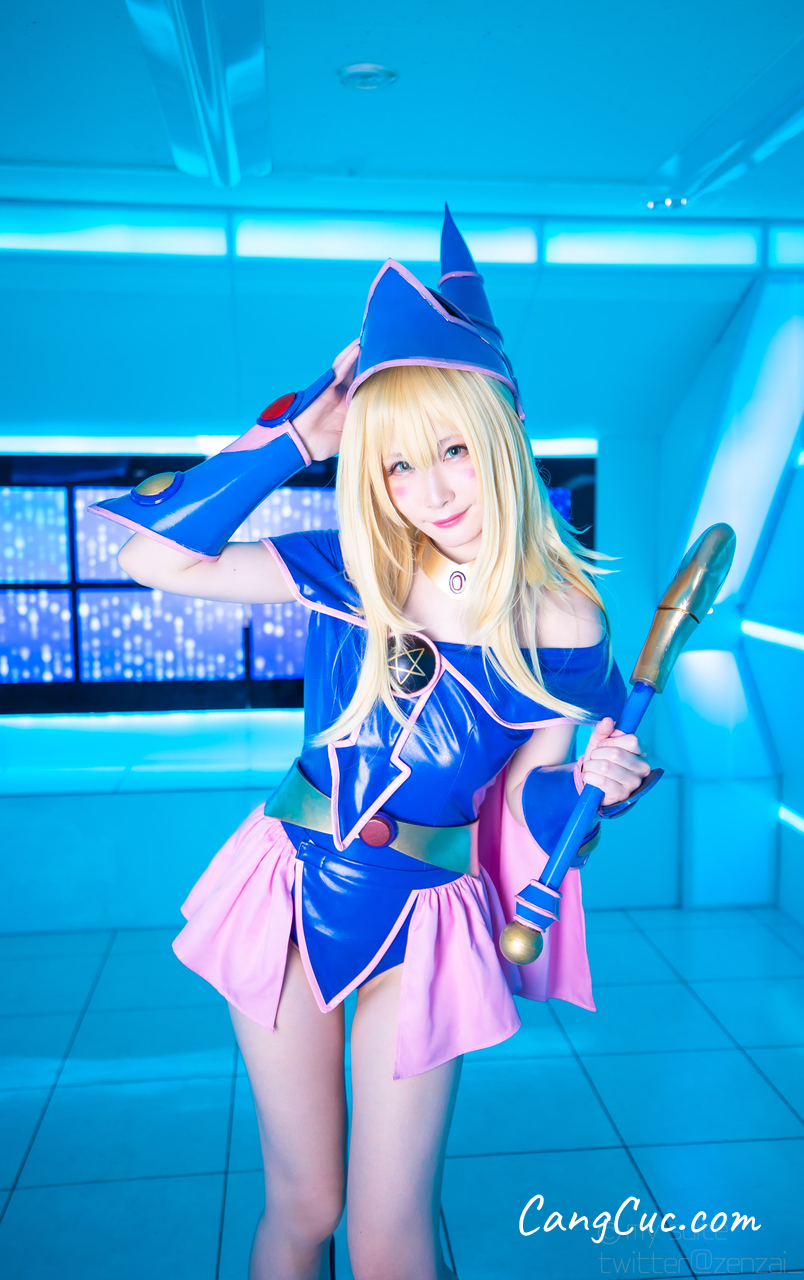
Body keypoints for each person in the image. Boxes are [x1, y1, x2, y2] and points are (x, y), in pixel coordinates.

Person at [93, 210, 651, 1280]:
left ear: (502, 429)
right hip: (286, 887)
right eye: (396, 464)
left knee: (392, 1238)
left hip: (428, 910)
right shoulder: (354, 568)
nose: (431, 491)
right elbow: (156, 561)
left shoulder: (564, 620)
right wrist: (298, 439)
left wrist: (598, 786)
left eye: (452, 450)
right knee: (304, 1202)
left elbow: (534, 804)